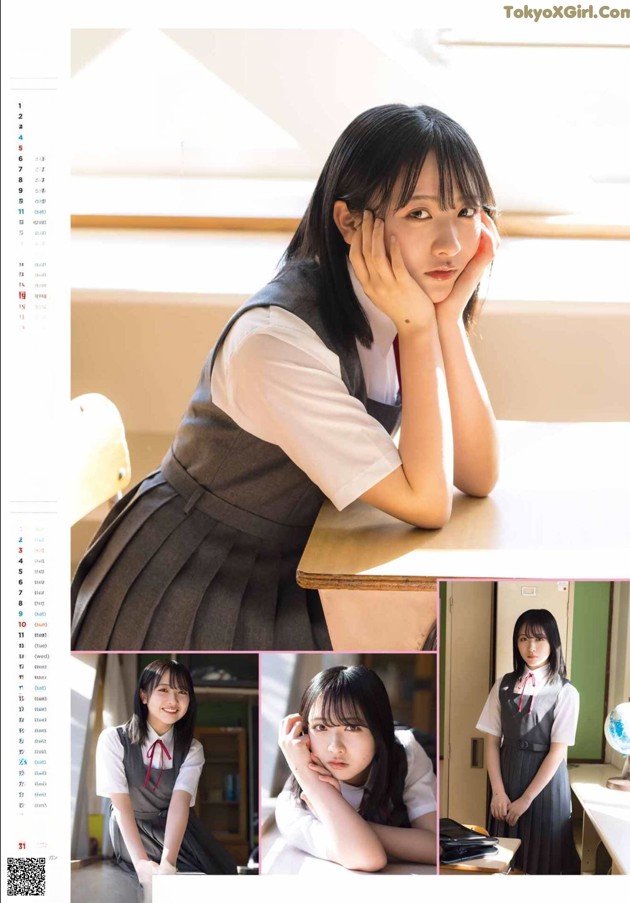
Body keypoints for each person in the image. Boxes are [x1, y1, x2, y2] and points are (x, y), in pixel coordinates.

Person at [71, 103, 500, 651]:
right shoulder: (276, 346)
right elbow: (428, 503)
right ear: (349, 221)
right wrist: (422, 332)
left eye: (466, 212)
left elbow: (478, 472)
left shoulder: (402, 300)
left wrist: (447, 318)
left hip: (292, 559)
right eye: (419, 214)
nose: (451, 244)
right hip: (194, 583)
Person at [95, 659, 237, 896]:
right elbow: (121, 807)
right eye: (163, 690)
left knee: (221, 875)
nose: (173, 701)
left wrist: (168, 865)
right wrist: (141, 862)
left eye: (182, 692)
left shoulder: (192, 749)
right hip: (133, 832)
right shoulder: (113, 740)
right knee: (138, 887)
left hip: (177, 834)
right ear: (143, 695)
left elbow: (179, 804)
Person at [275, 665, 437, 871]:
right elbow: (367, 857)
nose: (335, 748)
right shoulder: (294, 804)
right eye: (320, 727)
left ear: (379, 729)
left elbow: (435, 847)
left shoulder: (406, 753)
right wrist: (319, 789)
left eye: (352, 727)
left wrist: (347, 820)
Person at [476, 609, 581, 874]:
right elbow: (490, 742)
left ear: (553, 642)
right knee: (503, 859)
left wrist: (526, 799)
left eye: (539, 639)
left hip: (545, 785)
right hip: (507, 775)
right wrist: (498, 792)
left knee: (544, 860)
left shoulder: (566, 691)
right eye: (523, 639)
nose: (530, 647)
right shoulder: (502, 684)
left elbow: (557, 753)